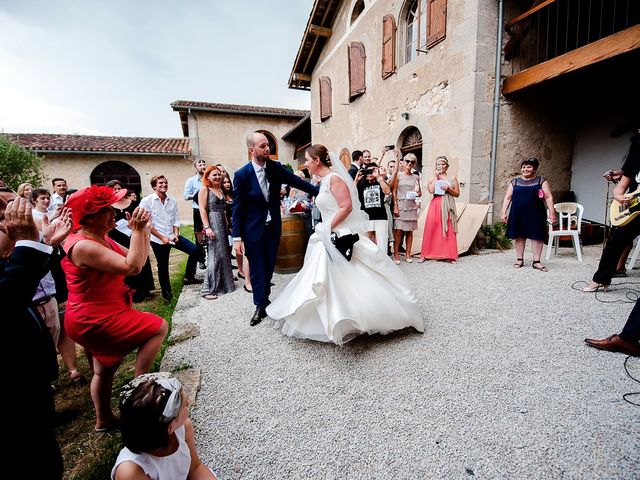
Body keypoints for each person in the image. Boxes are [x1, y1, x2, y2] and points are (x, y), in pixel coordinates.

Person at [266, 144, 424, 344]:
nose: (305, 163)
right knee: (326, 278)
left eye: (307, 159)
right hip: (328, 234)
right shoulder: (324, 181)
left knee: (357, 275)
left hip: (339, 233)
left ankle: (373, 314)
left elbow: (346, 207)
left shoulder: (335, 179)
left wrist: (327, 227)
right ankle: (328, 319)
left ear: (317, 161)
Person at [62, 185, 169, 431]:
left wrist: (142, 232)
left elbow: (137, 263)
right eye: (105, 210)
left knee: (104, 368)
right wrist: (139, 233)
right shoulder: (83, 246)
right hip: (95, 316)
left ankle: (104, 419)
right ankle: (140, 389)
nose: (113, 213)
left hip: (95, 312)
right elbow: (132, 266)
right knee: (158, 327)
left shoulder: (98, 238)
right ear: (88, 218)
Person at [1, 195, 73, 480]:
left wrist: (47, 244)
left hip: (30, 381)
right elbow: (8, 299)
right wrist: (27, 245)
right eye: (5, 219)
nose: (11, 227)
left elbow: (21, 282)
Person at [232, 132, 319, 326]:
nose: (267, 149)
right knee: (256, 268)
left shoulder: (275, 168)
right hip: (252, 230)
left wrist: (323, 191)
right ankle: (260, 306)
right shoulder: (242, 175)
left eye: (268, 145)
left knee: (270, 264)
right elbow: (237, 208)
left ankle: (265, 298)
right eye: (262, 146)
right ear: (251, 150)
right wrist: (236, 237)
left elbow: (298, 182)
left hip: (272, 227)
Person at [111, 372, 217, 479]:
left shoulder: (183, 427)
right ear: (170, 427)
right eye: (185, 404)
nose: (188, 402)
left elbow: (195, 468)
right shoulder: (130, 471)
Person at [583, 129, 640, 291]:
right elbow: (621, 187)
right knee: (614, 242)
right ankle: (601, 279)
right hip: (634, 209)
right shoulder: (635, 158)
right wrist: (619, 196)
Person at [140, 175, 203, 303]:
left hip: (172, 235)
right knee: (163, 266)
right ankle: (167, 295)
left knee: (195, 250)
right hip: (158, 239)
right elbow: (147, 223)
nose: (164, 185)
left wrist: (176, 233)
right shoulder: (147, 201)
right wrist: (162, 238)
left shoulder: (172, 200)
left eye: (165, 182)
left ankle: (189, 277)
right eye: (160, 183)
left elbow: (175, 219)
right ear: (154, 186)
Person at [500, 157, 556, 271]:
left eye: (529, 167)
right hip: (518, 213)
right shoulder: (514, 182)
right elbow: (507, 198)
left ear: (534, 169)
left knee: (537, 237)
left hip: (536, 213)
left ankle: (536, 261)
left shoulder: (541, 181)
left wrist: (552, 213)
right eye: (524, 167)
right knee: (519, 236)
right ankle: (519, 259)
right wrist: (503, 212)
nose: (525, 169)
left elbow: (548, 197)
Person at [107, 179, 155, 302]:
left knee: (140, 258)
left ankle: (144, 288)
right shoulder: (108, 206)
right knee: (125, 261)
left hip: (133, 234)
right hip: (117, 236)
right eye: (114, 189)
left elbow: (142, 216)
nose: (117, 191)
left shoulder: (133, 203)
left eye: (119, 188)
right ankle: (131, 290)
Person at [198, 166, 235, 300]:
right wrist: (207, 228)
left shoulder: (219, 189)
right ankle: (208, 289)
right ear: (207, 176)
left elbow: (223, 210)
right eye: (214, 175)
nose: (218, 177)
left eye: (219, 175)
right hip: (212, 223)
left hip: (222, 224)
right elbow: (202, 209)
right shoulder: (205, 189)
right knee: (214, 255)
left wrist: (228, 226)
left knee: (224, 253)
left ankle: (225, 284)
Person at [419, 155, 460, 263]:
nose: (441, 166)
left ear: (447, 166)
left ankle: (449, 255)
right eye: (438, 164)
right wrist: (436, 177)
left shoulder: (452, 178)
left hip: (448, 203)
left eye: (443, 164)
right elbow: (431, 190)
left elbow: (457, 194)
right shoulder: (432, 178)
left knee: (448, 228)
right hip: (436, 203)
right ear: (435, 166)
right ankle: (426, 254)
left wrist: (449, 189)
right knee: (431, 227)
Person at [392, 153, 422, 264]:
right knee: (398, 231)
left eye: (412, 162)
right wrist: (395, 206)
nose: (409, 163)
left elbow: (419, 192)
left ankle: (408, 253)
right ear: (403, 162)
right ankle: (395, 253)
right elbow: (394, 192)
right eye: (407, 161)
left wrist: (419, 193)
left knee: (410, 232)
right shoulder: (398, 175)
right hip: (401, 206)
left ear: (414, 164)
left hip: (412, 206)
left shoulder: (416, 177)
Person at [356, 162, 391, 252]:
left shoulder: (380, 182)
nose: (370, 173)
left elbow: (387, 191)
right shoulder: (361, 185)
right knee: (365, 244)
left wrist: (378, 177)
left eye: (373, 170)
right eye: (368, 171)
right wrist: (356, 180)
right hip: (366, 217)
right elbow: (352, 194)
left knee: (382, 245)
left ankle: (383, 264)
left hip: (380, 217)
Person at [184, 158, 208, 270]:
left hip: (209, 210)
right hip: (198, 211)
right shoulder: (191, 181)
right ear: (195, 167)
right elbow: (185, 196)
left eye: (204, 164)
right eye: (200, 164)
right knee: (200, 237)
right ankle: (201, 260)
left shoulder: (209, 179)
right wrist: (197, 195)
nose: (202, 165)